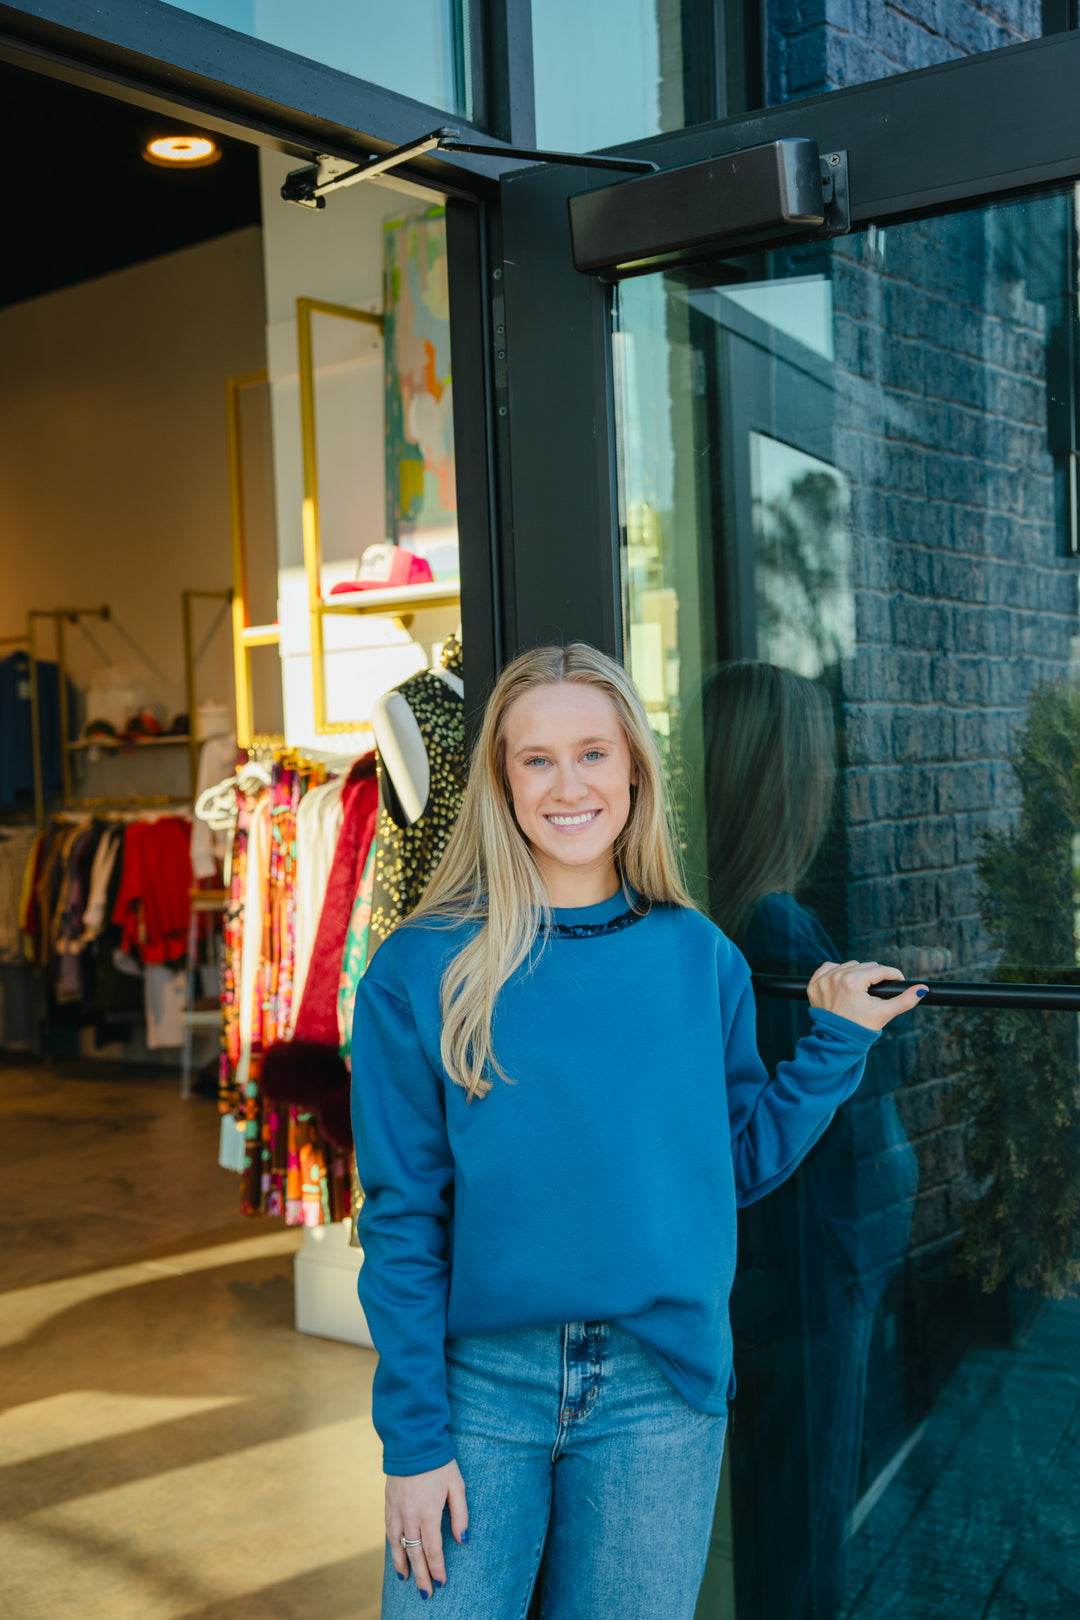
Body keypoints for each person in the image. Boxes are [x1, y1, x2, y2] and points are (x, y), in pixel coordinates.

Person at [350, 642, 928, 1618]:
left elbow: (731, 1166)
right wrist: (413, 1440)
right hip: (481, 1385)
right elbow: (402, 1221)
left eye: (593, 754)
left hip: (658, 1393)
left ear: (634, 772)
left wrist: (835, 1045)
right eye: (536, 759)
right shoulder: (420, 969)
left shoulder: (701, 960)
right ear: (500, 779)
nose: (567, 784)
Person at [696, 660, 919, 1620]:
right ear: (789, 783)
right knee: (804, 1535)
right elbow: (783, 1136)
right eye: (818, 763)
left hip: (790, 1280)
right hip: (809, 1284)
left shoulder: (729, 927)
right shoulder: (779, 939)